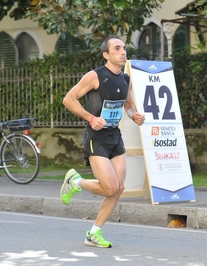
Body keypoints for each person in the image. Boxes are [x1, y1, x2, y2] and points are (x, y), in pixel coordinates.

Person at [61, 36, 145, 248]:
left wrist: (135, 115)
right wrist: (90, 117)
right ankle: (75, 182)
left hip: (114, 136)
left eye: (124, 48)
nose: (123, 52)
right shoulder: (95, 76)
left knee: (118, 188)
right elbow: (69, 99)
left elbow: (128, 105)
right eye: (117, 49)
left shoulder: (125, 79)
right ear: (106, 55)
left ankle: (94, 233)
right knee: (110, 187)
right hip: (96, 137)